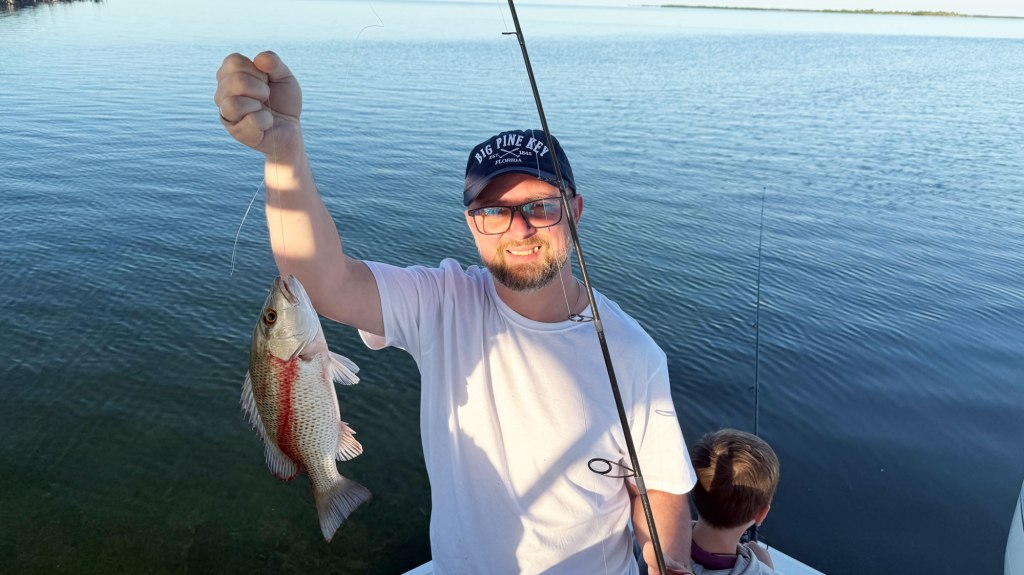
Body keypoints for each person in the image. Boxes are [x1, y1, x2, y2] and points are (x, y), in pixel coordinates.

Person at [215, 50, 697, 575]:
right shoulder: (443, 303)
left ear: (574, 212)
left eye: (540, 206)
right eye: (493, 211)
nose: (519, 228)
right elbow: (323, 282)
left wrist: (664, 559)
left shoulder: (633, 355)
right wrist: (284, 153)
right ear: (472, 224)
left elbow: (660, 488)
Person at [687, 429, 780, 575]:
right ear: (761, 514)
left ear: (691, 487)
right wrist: (766, 568)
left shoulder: (654, 539)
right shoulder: (761, 571)